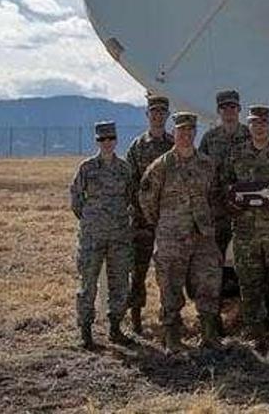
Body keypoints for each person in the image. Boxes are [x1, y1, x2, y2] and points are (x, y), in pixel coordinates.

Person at [139, 112, 223, 354]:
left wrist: (207, 223)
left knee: (208, 283)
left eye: (190, 131)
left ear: (195, 133)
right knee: (170, 286)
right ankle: (172, 336)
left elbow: (215, 197)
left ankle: (208, 334)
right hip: (171, 237)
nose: (185, 136)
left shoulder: (207, 164)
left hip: (202, 237)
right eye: (181, 131)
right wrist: (165, 223)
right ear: (174, 133)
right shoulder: (161, 166)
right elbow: (146, 200)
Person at [223, 104, 269, 350]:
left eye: (263, 122)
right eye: (254, 122)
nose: (259, 127)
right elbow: (225, 185)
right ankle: (256, 333)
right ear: (249, 125)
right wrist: (233, 201)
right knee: (249, 282)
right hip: (245, 232)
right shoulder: (236, 154)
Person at [69, 121, 134, 350]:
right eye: (102, 139)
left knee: (119, 283)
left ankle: (115, 328)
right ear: (97, 141)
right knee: (88, 284)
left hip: (118, 236)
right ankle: (86, 331)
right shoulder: (87, 168)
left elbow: (130, 199)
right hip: (92, 237)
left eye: (110, 139)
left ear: (116, 140)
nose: (106, 143)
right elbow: (76, 199)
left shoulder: (125, 169)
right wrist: (91, 220)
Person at [124, 92, 174, 335]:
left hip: (167, 220)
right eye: (153, 112)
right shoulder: (136, 146)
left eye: (162, 112)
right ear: (147, 115)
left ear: (167, 116)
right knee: (138, 270)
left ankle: (169, 319)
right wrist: (140, 211)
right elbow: (130, 183)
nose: (158, 116)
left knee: (168, 271)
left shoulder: (174, 145)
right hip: (142, 221)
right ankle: (135, 319)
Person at [199, 89, 251, 261]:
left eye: (232, 106)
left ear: (239, 109)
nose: (228, 110)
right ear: (218, 111)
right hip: (217, 209)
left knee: (247, 259)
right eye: (224, 107)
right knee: (215, 258)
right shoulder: (209, 138)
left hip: (245, 208)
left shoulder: (251, 136)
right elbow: (201, 171)